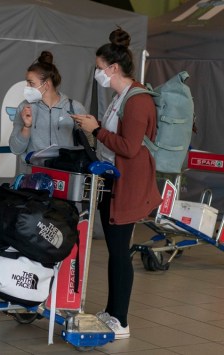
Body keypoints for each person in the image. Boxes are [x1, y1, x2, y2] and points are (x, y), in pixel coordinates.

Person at [71, 28, 162, 339]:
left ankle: (121, 320)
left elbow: (129, 147)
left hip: (128, 188)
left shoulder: (137, 101)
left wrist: (95, 130)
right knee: (115, 251)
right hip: (112, 183)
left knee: (120, 253)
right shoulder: (119, 98)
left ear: (112, 68)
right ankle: (111, 312)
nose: (98, 73)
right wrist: (92, 128)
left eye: (99, 68)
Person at [9, 51, 88, 172]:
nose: (27, 87)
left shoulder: (75, 108)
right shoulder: (24, 107)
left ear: (46, 85)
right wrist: (26, 126)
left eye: (31, 83)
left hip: (65, 175)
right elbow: (15, 149)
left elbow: (87, 146)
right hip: (33, 176)